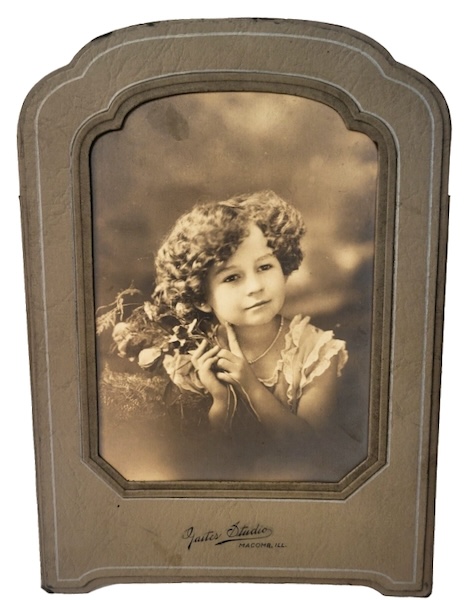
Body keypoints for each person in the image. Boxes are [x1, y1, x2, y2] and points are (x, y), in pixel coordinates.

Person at [152, 191, 348, 479]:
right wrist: (221, 401)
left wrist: (249, 385)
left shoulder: (316, 351)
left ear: (283, 265)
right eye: (232, 277)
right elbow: (200, 461)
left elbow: (310, 447)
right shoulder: (195, 356)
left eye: (265, 266)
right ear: (201, 296)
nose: (255, 286)